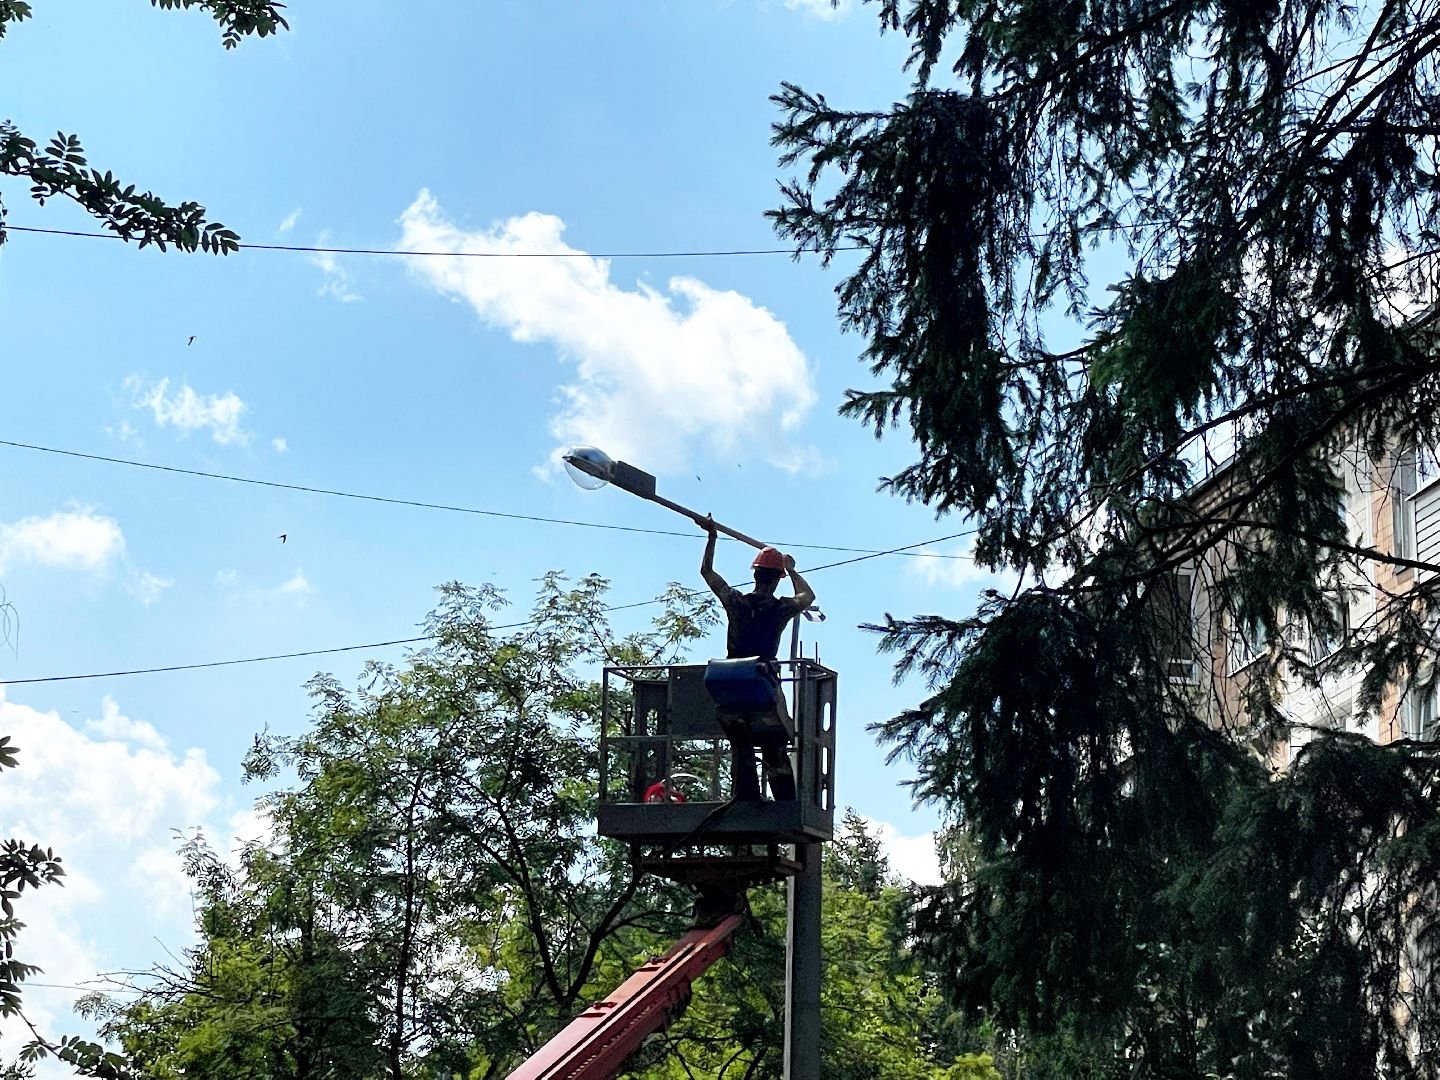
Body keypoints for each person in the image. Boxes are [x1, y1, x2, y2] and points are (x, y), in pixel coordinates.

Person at [699, 517, 816, 799]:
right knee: (774, 744)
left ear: (754, 575)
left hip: (728, 687)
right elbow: (807, 596)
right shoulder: (779, 609)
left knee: (741, 745)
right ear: (777, 581)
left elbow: (707, 572)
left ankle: (745, 797)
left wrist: (712, 537)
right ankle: (786, 802)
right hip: (762, 685)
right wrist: (790, 569)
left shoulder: (736, 602)